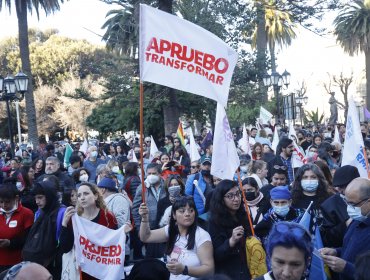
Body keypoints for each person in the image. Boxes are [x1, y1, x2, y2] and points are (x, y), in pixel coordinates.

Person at [138, 196, 214, 279]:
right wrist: (144, 219)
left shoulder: (202, 236)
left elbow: (210, 270)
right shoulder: (171, 230)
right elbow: (146, 237)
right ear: (174, 215)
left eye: (191, 210)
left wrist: (185, 270)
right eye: (182, 211)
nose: (187, 214)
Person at [59, 182, 119, 280]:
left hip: (104, 270)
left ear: (95, 196)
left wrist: (123, 233)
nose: (82, 198)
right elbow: (65, 248)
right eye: (79, 195)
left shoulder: (108, 217)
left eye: (86, 194)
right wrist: (64, 224)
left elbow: (116, 244)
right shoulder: (74, 219)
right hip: (83, 272)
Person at [320, 178, 370, 280]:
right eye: (346, 203)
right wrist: (336, 252)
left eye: (352, 204)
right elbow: (353, 249)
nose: (349, 209)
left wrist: (346, 267)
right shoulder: (357, 220)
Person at [208, 180, 252, 279]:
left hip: (247, 270)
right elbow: (216, 255)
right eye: (230, 196)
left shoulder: (245, 216)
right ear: (221, 199)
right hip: (228, 274)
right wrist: (231, 241)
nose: (236, 199)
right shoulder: (214, 222)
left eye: (238, 194)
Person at [23, 181, 66, 279]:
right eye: (35, 198)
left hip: (55, 264)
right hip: (39, 263)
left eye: (40, 197)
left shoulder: (62, 212)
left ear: (49, 196)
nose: (37, 201)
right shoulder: (40, 212)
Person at [132, 163, 167, 258]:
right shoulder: (142, 187)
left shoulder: (167, 185)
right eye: (149, 173)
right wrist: (140, 228)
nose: (151, 176)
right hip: (149, 228)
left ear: (160, 174)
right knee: (151, 257)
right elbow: (135, 209)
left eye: (154, 173)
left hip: (165, 227)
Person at [320, 165, 360, 248]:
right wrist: (345, 225)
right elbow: (327, 239)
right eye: (338, 186)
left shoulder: (366, 198)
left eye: (344, 186)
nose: (340, 190)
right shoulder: (329, 206)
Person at [0, 184, 34, 273]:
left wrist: (10, 243)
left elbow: (28, 238)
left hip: (16, 262)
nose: (4, 205)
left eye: (7, 202)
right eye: (1, 202)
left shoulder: (26, 213)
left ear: (16, 198)